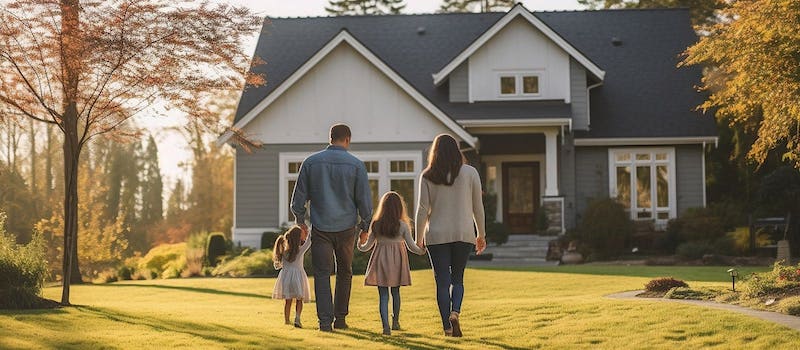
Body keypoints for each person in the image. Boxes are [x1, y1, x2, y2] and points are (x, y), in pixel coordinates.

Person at [290, 123, 372, 332]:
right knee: (345, 272)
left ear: (330, 138)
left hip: (321, 227)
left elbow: (297, 200)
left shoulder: (310, 163)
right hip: (346, 229)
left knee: (322, 273)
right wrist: (365, 226)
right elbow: (364, 201)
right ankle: (340, 319)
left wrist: (301, 222)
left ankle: (325, 323)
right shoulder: (356, 165)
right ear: (347, 140)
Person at [414, 133, 486, 337]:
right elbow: (477, 207)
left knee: (442, 281)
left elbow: (422, 210)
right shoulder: (470, 173)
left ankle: (446, 327)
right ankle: (455, 313)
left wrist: (418, 238)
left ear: (434, 152)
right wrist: (481, 234)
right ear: (457, 150)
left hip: (436, 235)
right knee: (458, 279)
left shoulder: (427, 175)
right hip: (463, 233)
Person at [358, 191, 426, 336]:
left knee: (383, 295)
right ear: (399, 207)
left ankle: (386, 327)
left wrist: (360, 242)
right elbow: (411, 246)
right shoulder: (402, 225)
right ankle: (395, 321)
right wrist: (422, 251)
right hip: (397, 262)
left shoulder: (376, 224)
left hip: (380, 261)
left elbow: (366, 247)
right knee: (395, 292)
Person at [272, 225, 312, 328]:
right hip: (298, 278)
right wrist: (311, 228)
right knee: (299, 299)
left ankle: (286, 320)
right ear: (298, 238)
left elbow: (278, 265)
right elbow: (309, 241)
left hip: (286, 279)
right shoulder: (300, 250)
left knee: (288, 301)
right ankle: (297, 319)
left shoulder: (284, 252)